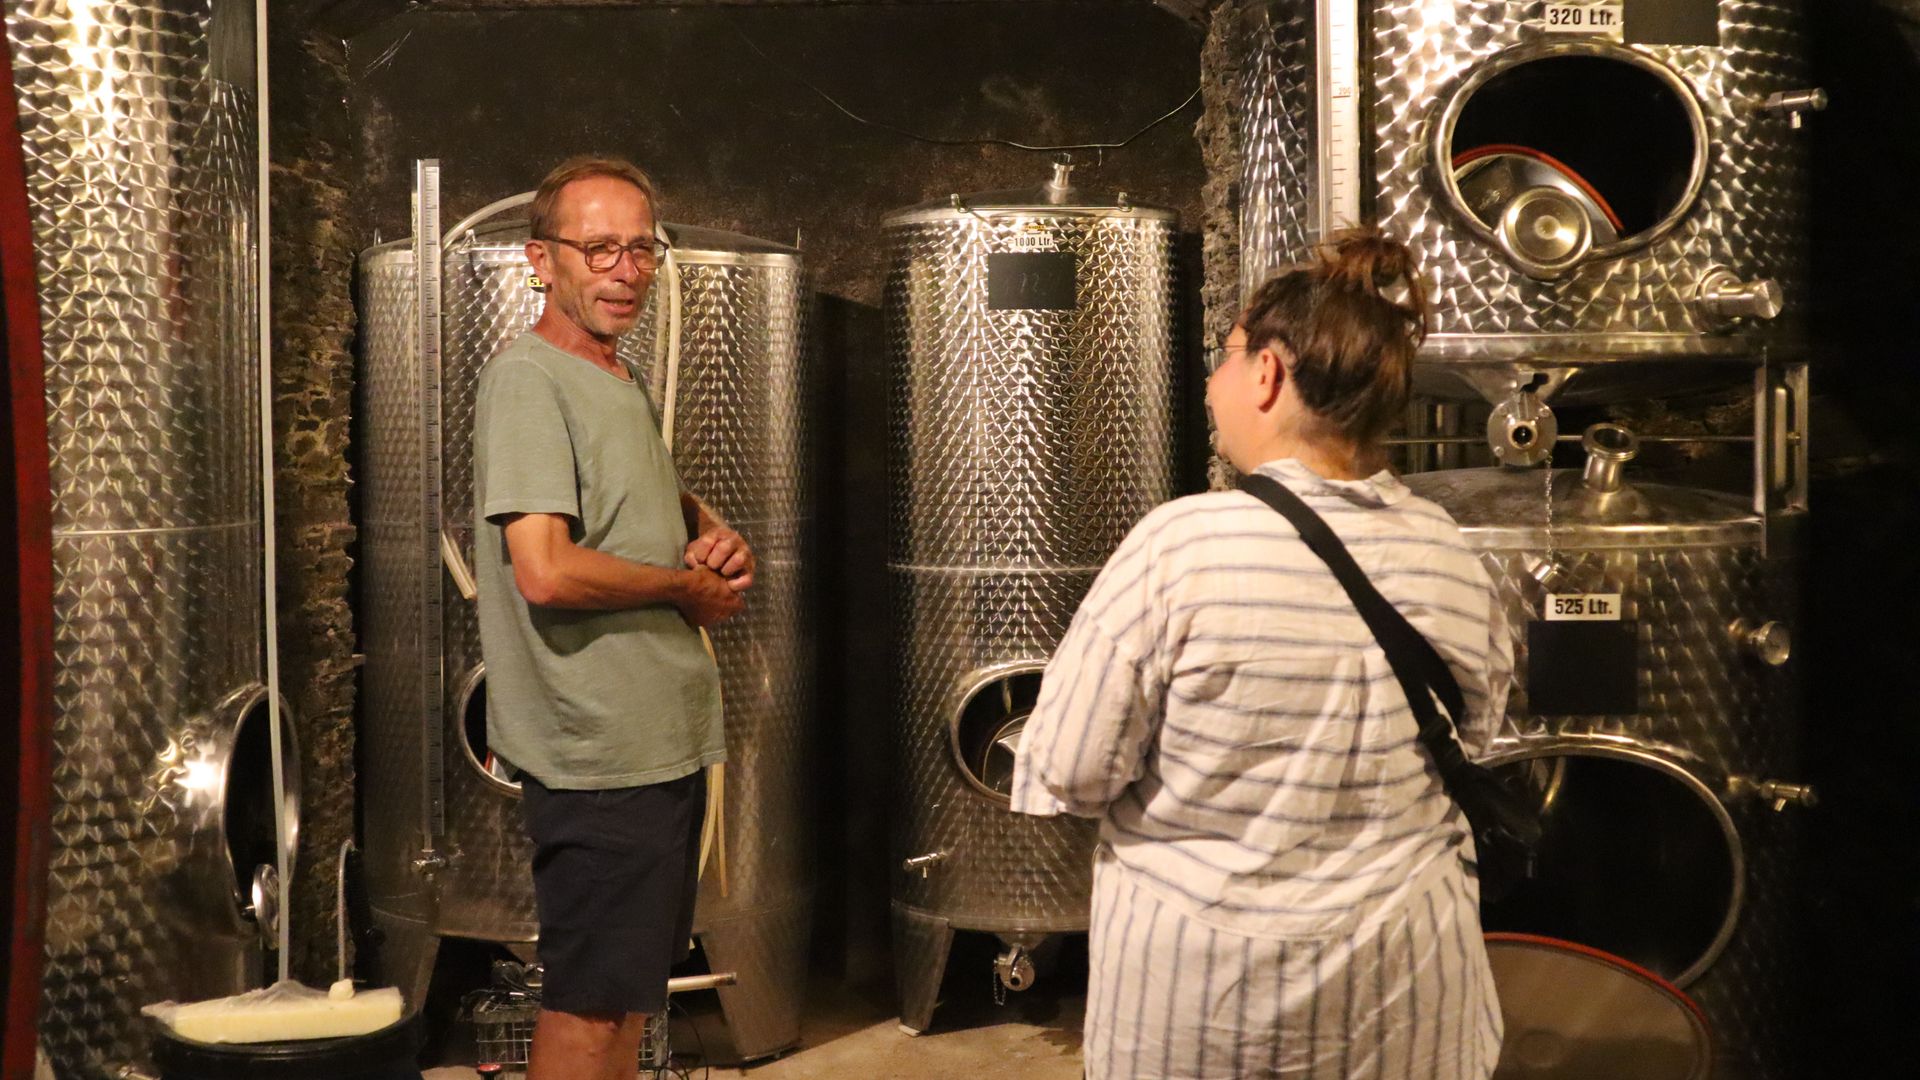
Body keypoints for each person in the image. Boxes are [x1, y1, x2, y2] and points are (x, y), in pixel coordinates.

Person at [1011, 230, 1511, 1079]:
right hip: (1408, 1003)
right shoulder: (1453, 553)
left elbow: (1073, 767)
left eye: (1225, 359)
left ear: (1269, 374)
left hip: (1206, 1008)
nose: (1213, 385)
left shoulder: (1179, 546)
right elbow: (1479, 738)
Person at [472, 156, 753, 1080]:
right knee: (588, 1011)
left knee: (626, 1005)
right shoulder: (528, 377)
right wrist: (683, 590)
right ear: (539, 261)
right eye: (598, 248)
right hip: (598, 755)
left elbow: (640, 495)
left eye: (641, 249)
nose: (625, 269)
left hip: (653, 741)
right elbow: (545, 572)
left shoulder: (614, 377)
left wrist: (707, 532)